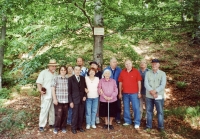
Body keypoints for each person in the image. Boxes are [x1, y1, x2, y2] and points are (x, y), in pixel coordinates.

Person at [118, 59, 142, 130]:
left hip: (134, 93)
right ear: (125, 65)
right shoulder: (122, 72)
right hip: (125, 93)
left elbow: (139, 82)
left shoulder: (136, 72)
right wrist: (120, 92)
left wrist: (139, 92)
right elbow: (120, 83)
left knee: (136, 108)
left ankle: (137, 122)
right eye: (126, 64)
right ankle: (128, 121)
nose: (128, 65)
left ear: (131, 64)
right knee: (126, 108)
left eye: (129, 63)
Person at [36, 59, 58, 132]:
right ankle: (41, 125)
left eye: (54, 66)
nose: (53, 67)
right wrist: (40, 91)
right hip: (46, 95)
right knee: (44, 110)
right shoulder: (43, 72)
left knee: (52, 110)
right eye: (52, 66)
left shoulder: (56, 74)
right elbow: (38, 82)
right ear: (49, 66)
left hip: (54, 95)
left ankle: (52, 123)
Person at [144, 59, 166, 132]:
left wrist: (155, 91)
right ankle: (148, 126)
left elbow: (162, 85)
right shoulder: (147, 73)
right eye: (153, 64)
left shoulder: (163, 74)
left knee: (160, 112)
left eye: (156, 64)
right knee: (149, 111)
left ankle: (161, 127)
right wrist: (151, 91)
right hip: (149, 96)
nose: (154, 65)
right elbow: (146, 84)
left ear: (159, 65)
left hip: (159, 96)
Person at [68, 66, 87, 134]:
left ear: (80, 71)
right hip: (74, 100)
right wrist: (71, 101)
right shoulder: (70, 79)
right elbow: (69, 92)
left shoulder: (82, 78)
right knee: (75, 114)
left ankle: (80, 127)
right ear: (74, 70)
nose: (77, 71)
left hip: (82, 100)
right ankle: (73, 128)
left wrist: (85, 96)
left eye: (79, 70)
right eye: (76, 70)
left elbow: (85, 89)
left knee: (81, 114)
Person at [103, 57, 122, 124]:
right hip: (108, 91)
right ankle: (108, 118)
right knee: (109, 105)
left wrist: (120, 91)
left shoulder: (119, 70)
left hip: (117, 90)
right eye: (114, 62)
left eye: (116, 62)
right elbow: (103, 80)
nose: (115, 63)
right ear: (110, 63)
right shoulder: (106, 69)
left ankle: (117, 118)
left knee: (118, 105)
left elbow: (121, 80)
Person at [51, 66, 69, 134]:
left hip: (66, 100)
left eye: (64, 70)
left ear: (66, 71)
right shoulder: (56, 78)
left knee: (65, 115)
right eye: (62, 70)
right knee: (58, 115)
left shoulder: (68, 79)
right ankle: (56, 127)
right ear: (59, 71)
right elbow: (53, 89)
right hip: (58, 100)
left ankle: (63, 127)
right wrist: (54, 99)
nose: (63, 71)